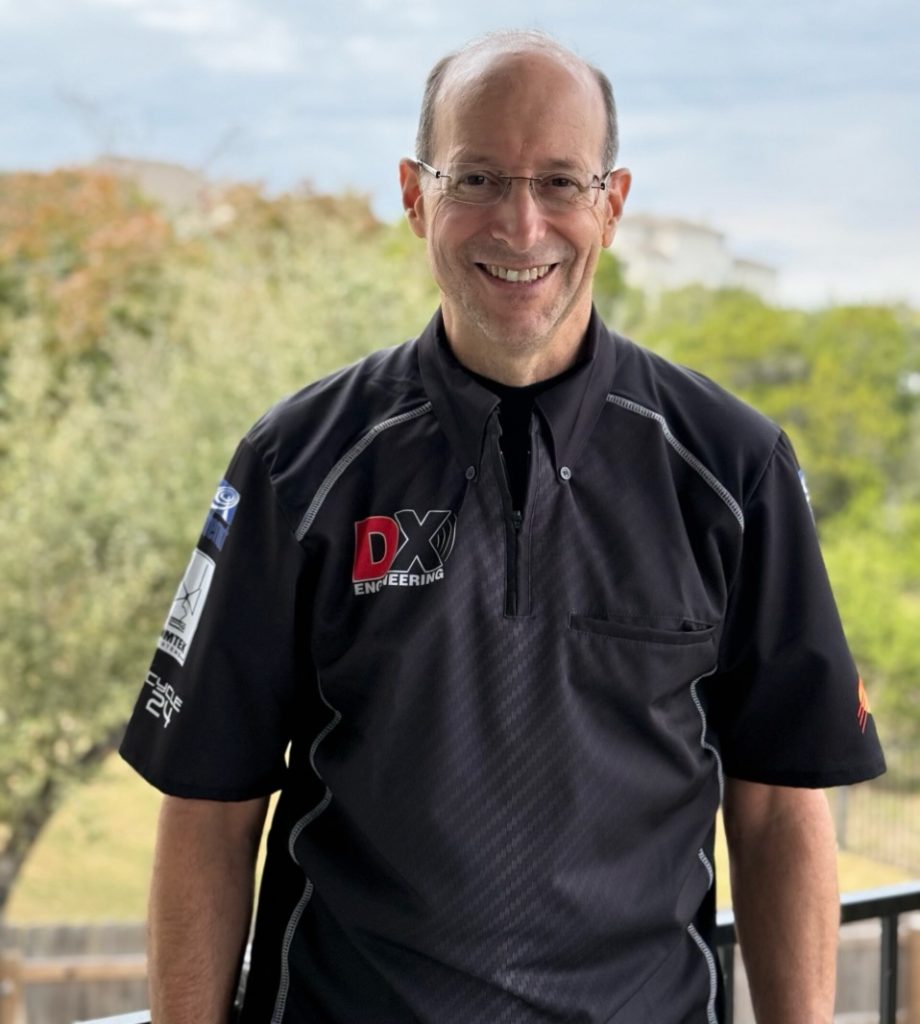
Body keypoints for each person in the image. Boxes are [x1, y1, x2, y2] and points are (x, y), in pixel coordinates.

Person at [120, 29, 885, 1024]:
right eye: (476, 177)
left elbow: (781, 805)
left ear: (610, 204)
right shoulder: (293, 464)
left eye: (560, 182)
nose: (520, 226)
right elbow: (209, 810)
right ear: (413, 194)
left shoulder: (732, 468)